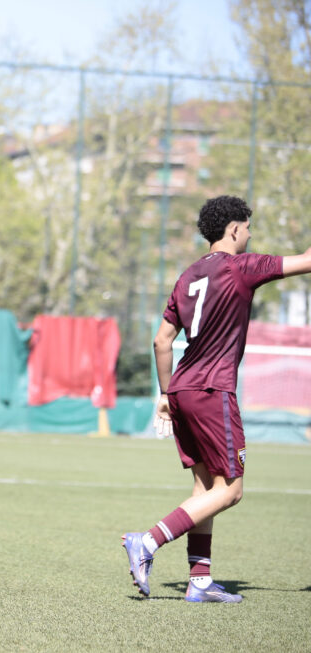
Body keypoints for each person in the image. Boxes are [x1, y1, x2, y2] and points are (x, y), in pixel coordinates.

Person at [123, 195, 311, 602]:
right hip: (213, 389)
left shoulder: (187, 275)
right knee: (230, 490)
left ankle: (200, 581)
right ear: (235, 229)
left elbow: (161, 341)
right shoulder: (243, 266)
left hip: (183, 388)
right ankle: (148, 541)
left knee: (205, 487)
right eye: (248, 227)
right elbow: (307, 260)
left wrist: (164, 393)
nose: (250, 234)